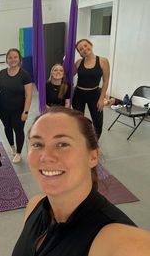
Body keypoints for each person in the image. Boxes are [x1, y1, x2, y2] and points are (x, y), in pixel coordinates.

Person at [12, 107, 150, 256]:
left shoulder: (122, 243)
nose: (46, 157)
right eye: (37, 144)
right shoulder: (34, 206)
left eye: (62, 144)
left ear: (93, 156)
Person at [0, 48, 33, 163]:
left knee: (18, 130)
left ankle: (18, 153)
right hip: (3, 108)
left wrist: (26, 111)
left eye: (15, 57)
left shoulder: (25, 75)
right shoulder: (2, 73)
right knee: (7, 128)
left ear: (19, 59)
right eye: (10, 57)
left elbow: (29, 95)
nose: (13, 59)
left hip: (18, 109)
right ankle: (12, 147)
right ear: (7, 60)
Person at [73, 38, 110, 140]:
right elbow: (69, 75)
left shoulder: (103, 61)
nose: (84, 49)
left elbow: (106, 81)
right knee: (79, 121)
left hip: (95, 95)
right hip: (79, 95)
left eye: (85, 46)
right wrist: (67, 62)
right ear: (80, 53)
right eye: (81, 49)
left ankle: (94, 144)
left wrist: (101, 99)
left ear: (91, 45)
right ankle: (80, 142)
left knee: (98, 122)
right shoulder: (78, 62)